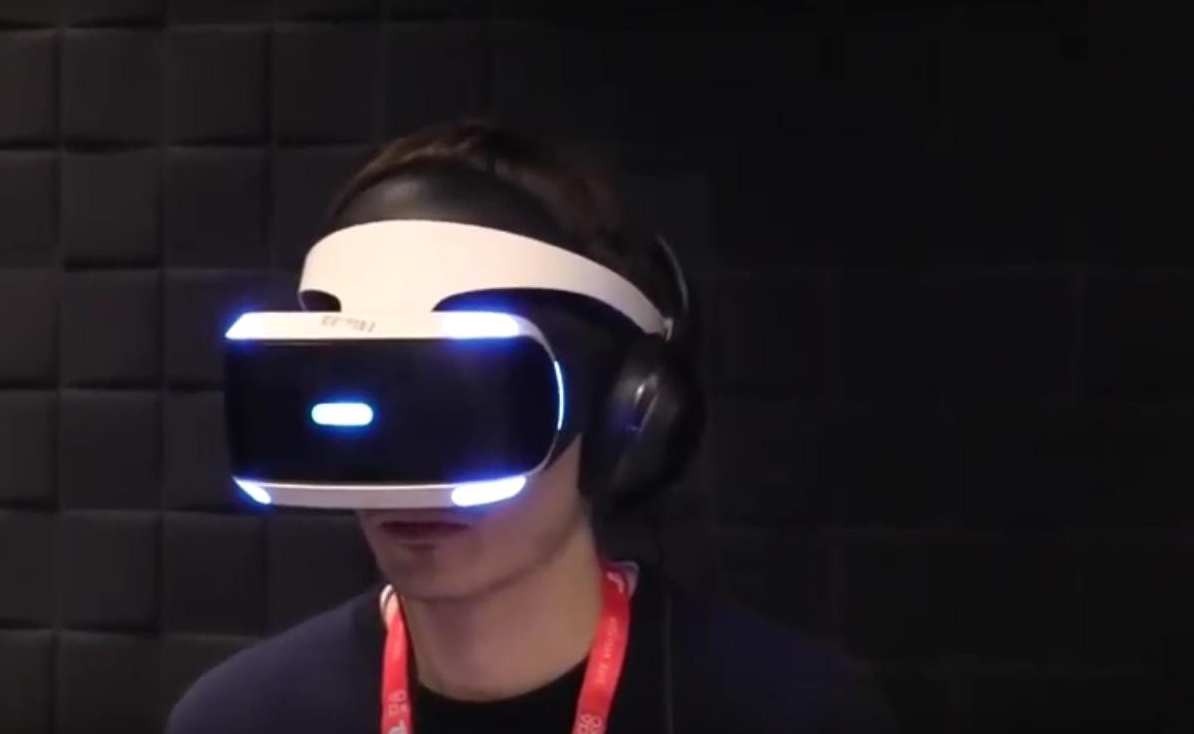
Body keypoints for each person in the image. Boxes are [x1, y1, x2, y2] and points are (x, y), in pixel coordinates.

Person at [165, 120, 897, 734]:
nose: (415, 484)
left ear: (628, 412)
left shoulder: (794, 713)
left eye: (465, 406)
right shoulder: (241, 719)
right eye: (373, 394)